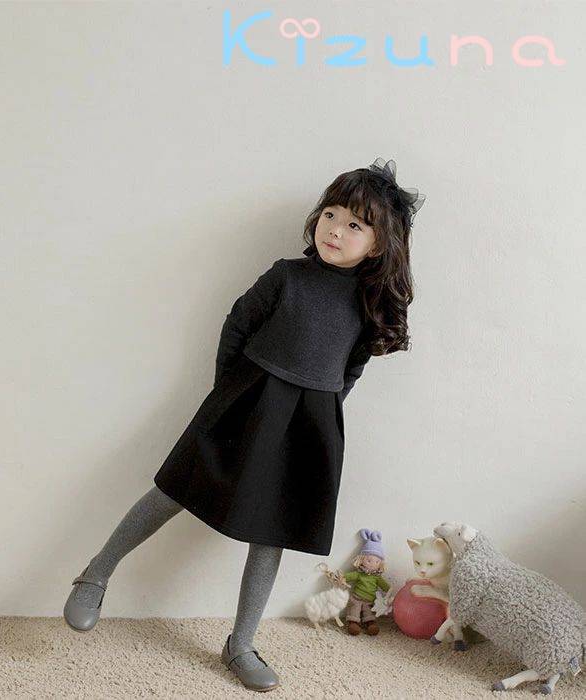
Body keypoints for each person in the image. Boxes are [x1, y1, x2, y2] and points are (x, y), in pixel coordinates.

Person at [63, 157, 425, 692]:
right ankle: (96, 573)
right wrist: (229, 393)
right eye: (330, 214)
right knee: (173, 490)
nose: (335, 229)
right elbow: (237, 326)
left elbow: (351, 369)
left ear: (378, 245)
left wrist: (319, 413)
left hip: (309, 424)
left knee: (271, 533)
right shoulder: (287, 276)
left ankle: (241, 643)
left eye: (355, 224)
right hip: (244, 403)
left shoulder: (366, 305)